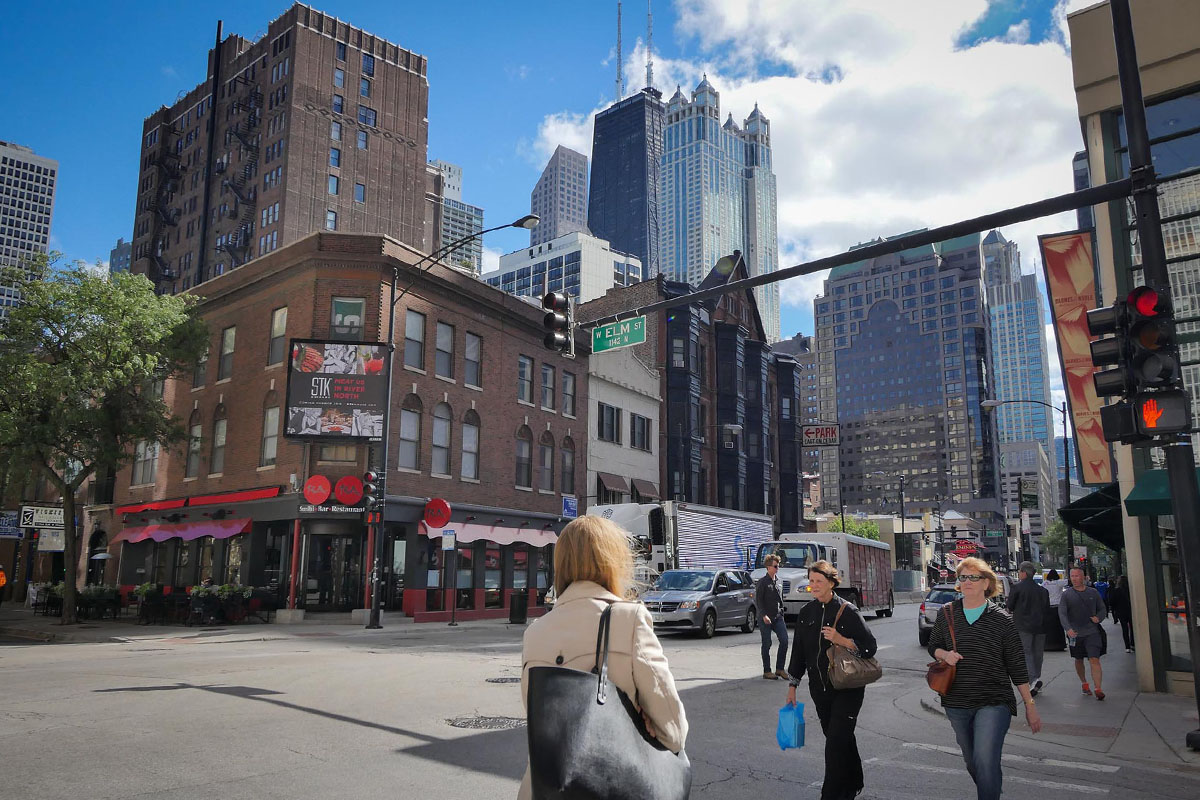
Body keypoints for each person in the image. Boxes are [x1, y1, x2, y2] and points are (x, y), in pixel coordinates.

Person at [518, 516, 687, 800]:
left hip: (546, 789)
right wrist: (641, 717)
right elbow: (674, 731)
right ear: (613, 560)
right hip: (613, 785)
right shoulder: (628, 619)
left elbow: (540, 718)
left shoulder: (535, 632)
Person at [928, 557, 1042, 800]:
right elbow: (933, 646)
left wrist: (1030, 706)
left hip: (994, 700)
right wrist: (945, 654)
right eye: (963, 577)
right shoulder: (947, 613)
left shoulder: (1001, 619)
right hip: (957, 701)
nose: (967, 582)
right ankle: (990, 788)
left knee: (985, 759)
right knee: (973, 762)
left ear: (986, 583)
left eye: (974, 577)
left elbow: (1017, 666)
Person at [785, 560, 877, 800]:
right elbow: (799, 653)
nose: (814, 586)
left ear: (831, 583)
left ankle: (831, 795)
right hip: (820, 690)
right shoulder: (806, 613)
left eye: (819, 581)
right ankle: (854, 780)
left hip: (848, 688)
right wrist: (792, 685)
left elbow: (870, 647)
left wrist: (842, 639)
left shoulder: (847, 611)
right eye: (811, 581)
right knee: (839, 738)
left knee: (835, 742)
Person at [1060, 566, 1108, 699]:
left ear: (1084, 577)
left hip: (1092, 631)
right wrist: (1068, 629)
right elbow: (1062, 613)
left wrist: (1099, 618)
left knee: (1094, 658)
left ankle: (1098, 688)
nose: (1074, 578)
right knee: (1078, 659)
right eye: (1072, 576)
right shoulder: (1066, 594)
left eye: (1077, 576)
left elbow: (1102, 608)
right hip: (1075, 633)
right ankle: (1084, 683)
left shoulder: (1093, 593)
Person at [1006, 561, 1050, 696]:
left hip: (1023, 625)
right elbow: (1047, 609)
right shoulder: (1043, 591)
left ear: (1023, 573)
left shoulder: (1017, 588)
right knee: (1038, 653)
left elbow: (1010, 606)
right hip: (1041, 626)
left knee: (1026, 652)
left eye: (1020, 571)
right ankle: (1036, 677)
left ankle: (1033, 679)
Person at [755, 553, 789, 679]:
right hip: (765, 618)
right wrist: (763, 615)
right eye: (775, 566)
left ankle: (780, 669)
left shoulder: (779, 581)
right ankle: (767, 671)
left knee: (784, 641)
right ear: (768, 567)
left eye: (778, 566)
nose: (777, 568)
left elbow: (780, 599)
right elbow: (758, 601)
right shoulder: (762, 582)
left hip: (778, 616)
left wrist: (782, 613)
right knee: (767, 643)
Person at [1042, 568, 1068, 651]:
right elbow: (1069, 581)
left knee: (1049, 627)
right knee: (1059, 626)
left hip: (1048, 607)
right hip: (1058, 607)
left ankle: (1048, 644)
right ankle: (1059, 644)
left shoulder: (1045, 583)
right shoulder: (1058, 583)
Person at [1109, 575, 1134, 652]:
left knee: (1124, 628)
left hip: (1120, 612)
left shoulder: (1116, 591)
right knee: (1132, 628)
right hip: (1130, 610)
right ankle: (1133, 643)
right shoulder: (1130, 590)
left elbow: (1112, 602)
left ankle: (1127, 647)